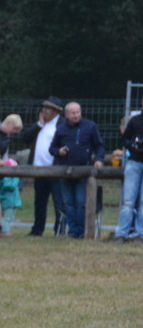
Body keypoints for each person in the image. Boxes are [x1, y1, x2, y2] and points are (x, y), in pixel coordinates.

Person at [48, 101, 103, 238]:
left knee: (81, 202)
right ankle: (73, 231)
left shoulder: (90, 126)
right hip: (65, 171)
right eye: (72, 113)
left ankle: (83, 230)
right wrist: (59, 151)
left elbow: (99, 146)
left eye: (78, 112)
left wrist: (98, 159)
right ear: (66, 115)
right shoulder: (61, 129)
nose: (76, 115)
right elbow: (52, 148)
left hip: (84, 171)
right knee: (68, 203)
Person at [26, 98, 63, 235]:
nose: (45, 110)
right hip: (39, 170)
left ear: (56, 111)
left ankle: (59, 230)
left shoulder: (61, 125)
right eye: (44, 107)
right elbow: (26, 138)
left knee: (58, 202)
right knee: (39, 202)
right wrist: (39, 125)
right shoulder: (40, 125)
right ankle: (37, 229)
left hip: (55, 170)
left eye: (48, 108)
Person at [116, 110, 143, 243]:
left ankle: (140, 234)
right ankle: (121, 233)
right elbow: (125, 139)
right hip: (134, 162)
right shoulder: (135, 121)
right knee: (128, 201)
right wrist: (133, 146)